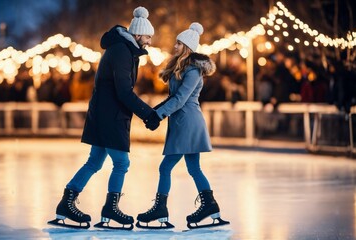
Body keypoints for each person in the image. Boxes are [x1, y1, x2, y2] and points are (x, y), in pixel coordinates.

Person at [48, 6, 161, 230]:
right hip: (110, 116)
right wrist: (148, 114)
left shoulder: (124, 49)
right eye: (147, 36)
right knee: (121, 163)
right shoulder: (121, 51)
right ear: (138, 34)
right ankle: (110, 208)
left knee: (94, 161)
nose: (149, 41)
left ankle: (66, 204)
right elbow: (123, 91)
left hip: (105, 113)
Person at [136, 23, 230, 229]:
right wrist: (156, 111)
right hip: (184, 121)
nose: (175, 46)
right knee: (194, 168)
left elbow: (180, 99)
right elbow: (174, 97)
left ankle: (161, 208)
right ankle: (210, 207)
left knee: (166, 167)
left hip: (187, 122)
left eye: (179, 43)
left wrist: (158, 115)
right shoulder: (184, 67)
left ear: (187, 47)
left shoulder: (193, 70)